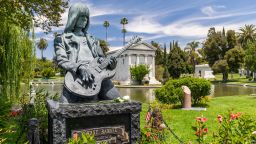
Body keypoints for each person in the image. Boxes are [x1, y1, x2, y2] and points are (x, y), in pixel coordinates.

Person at [54, 3, 120, 103]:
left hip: (98, 76)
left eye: (86, 17)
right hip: (76, 77)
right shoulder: (61, 39)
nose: (85, 20)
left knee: (117, 99)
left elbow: (101, 59)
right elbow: (62, 60)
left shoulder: (94, 40)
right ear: (74, 17)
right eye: (81, 17)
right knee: (65, 106)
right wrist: (79, 67)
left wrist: (111, 65)